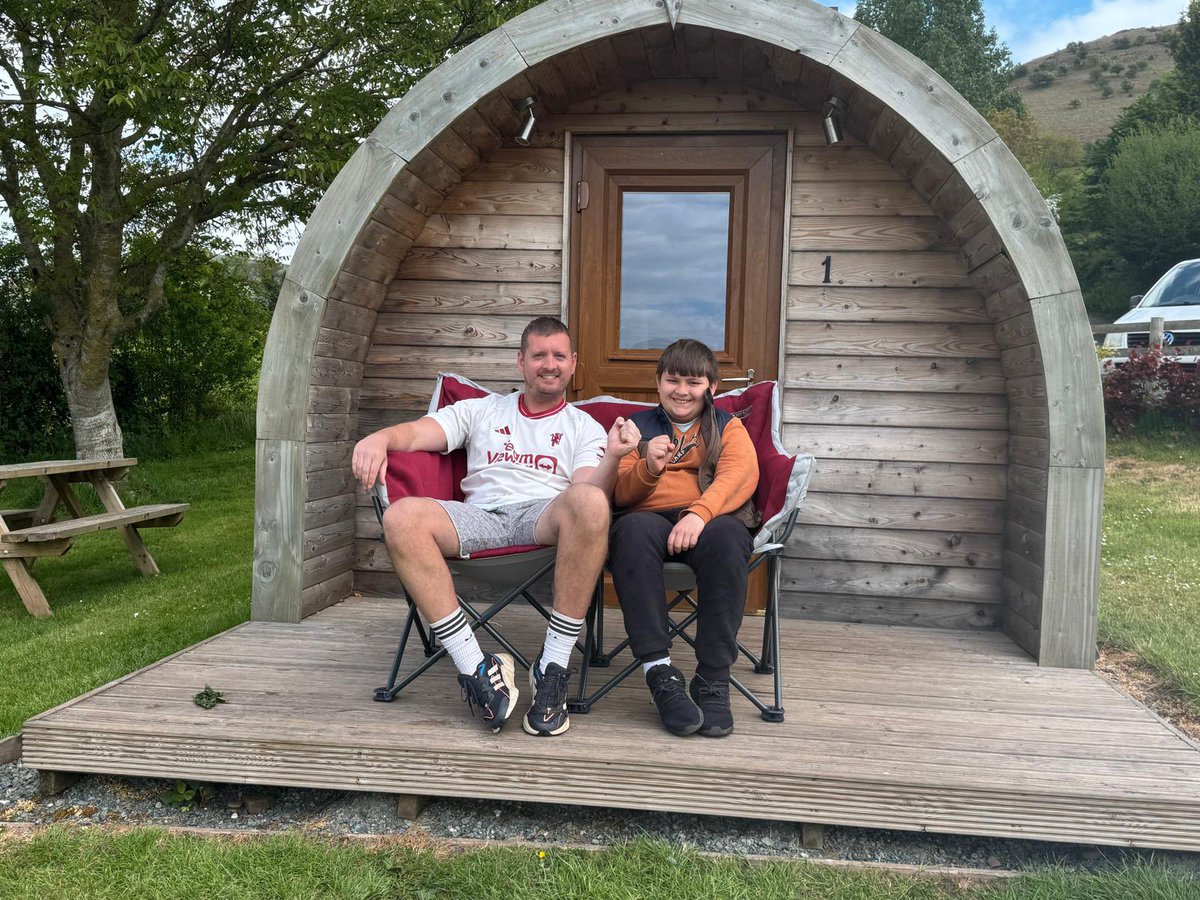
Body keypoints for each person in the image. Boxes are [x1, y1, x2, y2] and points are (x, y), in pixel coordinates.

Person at [352, 317, 638, 737]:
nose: (550, 364)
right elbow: (416, 434)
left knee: (592, 501)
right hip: (478, 516)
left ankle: (552, 666)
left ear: (573, 363)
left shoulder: (584, 427)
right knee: (400, 517)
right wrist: (378, 438)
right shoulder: (482, 409)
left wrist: (613, 458)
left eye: (559, 356)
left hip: (542, 519)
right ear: (521, 361)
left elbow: (585, 494)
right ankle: (476, 667)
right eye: (539, 355)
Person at [610, 339, 759, 737]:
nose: (681, 390)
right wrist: (648, 467)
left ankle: (712, 678)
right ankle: (659, 673)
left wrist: (699, 514)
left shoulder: (728, 426)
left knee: (729, 539)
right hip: (647, 519)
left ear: (711, 387)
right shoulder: (635, 427)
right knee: (630, 531)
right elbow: (619, 493)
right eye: (672, 380)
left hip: (709, 519)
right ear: (658, 382)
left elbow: (739, 475)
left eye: (693, 382)